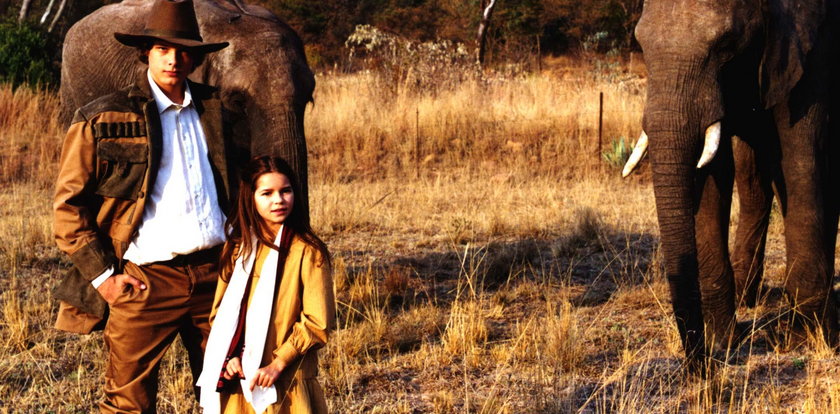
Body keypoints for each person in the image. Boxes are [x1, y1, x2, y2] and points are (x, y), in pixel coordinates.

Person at [52, 0, 243, 412]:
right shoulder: (102, 117)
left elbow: (243, 186)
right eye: (162, 49)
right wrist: (104, 277)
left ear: (194, 57)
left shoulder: (217, 111)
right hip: (144, 282)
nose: (173, 59)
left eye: (182, 50)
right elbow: (68, 206)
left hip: (216, 277)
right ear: (146, 53)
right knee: (129, 404)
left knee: (228, 396)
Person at [197, 156, 335, 414]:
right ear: (250, 197)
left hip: (287, 381)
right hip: (239, 383)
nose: (278, 200)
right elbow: (219, 314)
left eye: (286, 191)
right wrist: (231, 356)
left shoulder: (307, 251)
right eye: (267, 193)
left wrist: (278, 363)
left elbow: (318, 322)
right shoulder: (238, 248)